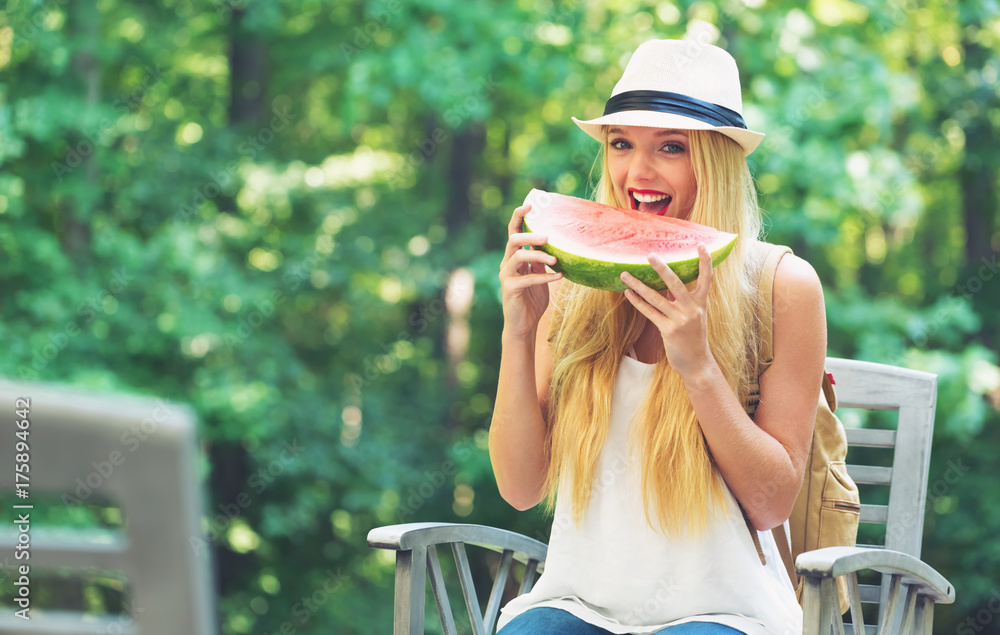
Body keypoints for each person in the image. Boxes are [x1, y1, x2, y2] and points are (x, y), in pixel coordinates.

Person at [489, 39, 827, 635]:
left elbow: (772, 502)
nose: (637, 174)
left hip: (725, 611)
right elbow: (520, 488)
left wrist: (697, 367)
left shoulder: (782, 286)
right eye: (621, 144)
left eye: (670, 148)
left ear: (718, 162)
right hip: (578, 603)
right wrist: (518, 334)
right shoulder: (571, 283)